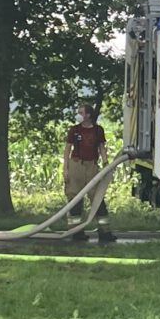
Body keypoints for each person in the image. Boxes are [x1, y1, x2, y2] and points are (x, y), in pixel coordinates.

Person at [62, 103, 115, 243]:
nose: (78, 115)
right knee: (75, 198)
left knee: (97, 197)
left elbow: (101, 148)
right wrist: (65, 168)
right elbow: (67, 149)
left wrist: (105, 164)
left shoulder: (98, 131)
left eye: (81, 112)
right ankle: (76, 232)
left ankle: (105, 233)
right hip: (76, 165)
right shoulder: (74, 130)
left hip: (92, 166)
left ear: (88, 115)